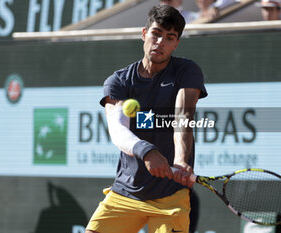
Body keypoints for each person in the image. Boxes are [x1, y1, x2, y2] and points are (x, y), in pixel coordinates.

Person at [86, 4, 207, 233]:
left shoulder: (187, 70)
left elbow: (183, 116)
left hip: (170, 197)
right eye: (156, 33)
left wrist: (181, 160)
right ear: (144, 34)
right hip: (126, 192)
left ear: (176, 43)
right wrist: (146, 151)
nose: (161, 42)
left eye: (170, 37)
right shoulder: (118, 81)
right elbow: (117, 129)